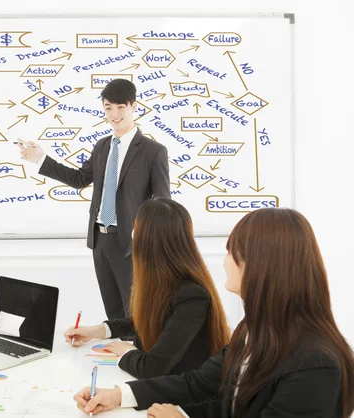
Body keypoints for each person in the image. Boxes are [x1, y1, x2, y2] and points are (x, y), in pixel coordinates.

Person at [73, 208, 354, 418]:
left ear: (259, 267)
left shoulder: (315, 365)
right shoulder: (255, 331)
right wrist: (119, 395)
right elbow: (204, 386)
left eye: (231, 252)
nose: (225, 262)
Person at [18, 78, 170, 320]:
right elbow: (80, 179)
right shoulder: (102, 146)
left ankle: (137, 356)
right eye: (109, 107)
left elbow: (163, 203)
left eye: (121, 106)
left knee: (135, 314)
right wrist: (41, 159)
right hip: (100, 240)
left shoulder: (154, 151)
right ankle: (116, 356)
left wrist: (147, 240)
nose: (115, 114)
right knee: (112, 311)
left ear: (133, 106)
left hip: (131, 244)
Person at [64, 198, 230, 418]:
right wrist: (99, 330)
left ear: (147, 241)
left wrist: (127, 353)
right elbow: (144, 319)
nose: (131, 236)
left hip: (185, 403)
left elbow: (153, 367)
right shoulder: (164, 281)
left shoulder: (192, 295)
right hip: (160, 391)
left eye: (135, 230)